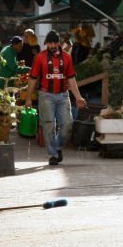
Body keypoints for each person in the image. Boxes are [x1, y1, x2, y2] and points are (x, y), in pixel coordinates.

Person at [25, 30, 86, 165]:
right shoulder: (40, 58)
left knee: (67, 124)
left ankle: (58, 147)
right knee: (48, 125)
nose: (52, 45)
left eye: (55, 42)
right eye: (50, 43)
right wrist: (28, 98)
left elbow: (71, 79)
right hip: (45, 95)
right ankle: (53, 154)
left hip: (63, 95)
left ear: (59, 43)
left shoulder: (67, 58)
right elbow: (33, 79)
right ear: (46, 43)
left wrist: (78, 97)